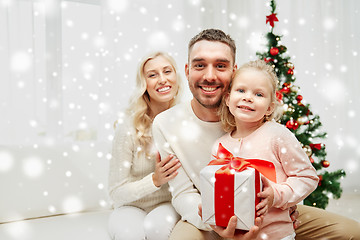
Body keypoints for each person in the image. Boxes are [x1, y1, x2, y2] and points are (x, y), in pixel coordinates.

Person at [152, 28, 360, 240]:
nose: (210, 75)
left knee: (352, 232)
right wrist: (216, 220)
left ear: (233, 71)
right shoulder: (166, 124)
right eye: (200, 65)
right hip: (208, 215)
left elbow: (290, 172)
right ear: (187, 70)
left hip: (268, 213)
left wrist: (285, 203)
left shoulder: (254, 114)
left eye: (221, 66)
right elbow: (183, 193)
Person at [210, 59, 319, 240]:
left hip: (277, 235)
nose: (248, 97)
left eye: (259, 94)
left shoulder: (277, 136)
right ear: (228, 99)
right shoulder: (220, 147)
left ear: (269, 108)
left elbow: (307, 177)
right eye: (241, 90)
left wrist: (276, 195)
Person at [108, 51, 182, 240]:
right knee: (130, 235)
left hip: (168, 204)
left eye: (167, 71)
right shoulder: (127, 129)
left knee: (157, 229)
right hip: (130, 206)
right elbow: (116, 192)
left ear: (176, 77)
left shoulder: (184, 122)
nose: (163, 80)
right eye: (152, 75)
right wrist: (155, 180)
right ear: (144, 84)